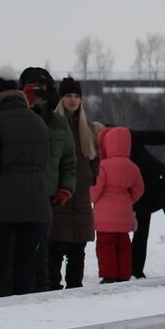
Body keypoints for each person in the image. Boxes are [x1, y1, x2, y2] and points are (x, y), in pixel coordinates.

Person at [0, 73, 51, 298]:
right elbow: (44, 161)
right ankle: (24, 314)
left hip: (4, 204)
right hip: (37, 202)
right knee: (25, 263)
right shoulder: (38, 120)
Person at [19, 67, 77, 291]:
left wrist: (66, 189)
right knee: (18, 251)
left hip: (47, 196)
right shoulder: (12, 113)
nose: (38, 90)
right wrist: (24, 102)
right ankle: (17, 296)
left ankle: (40, 295)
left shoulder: (58, 122)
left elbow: (69, 160)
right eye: (33, 86)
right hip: (18, 195)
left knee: (42, 250)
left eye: (42, 87)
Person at [48, 76, 99, 289]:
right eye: (68, 95)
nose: (73, 100)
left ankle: (75, 291)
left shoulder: (87, 127)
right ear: (61, 98)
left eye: (76, 96)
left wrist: (90, 176)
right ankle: (50, 289)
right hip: (60, 195)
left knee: (78, 251)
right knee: (55, 248)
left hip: (82, 198)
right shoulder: (52, 124)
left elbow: (96, 159)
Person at [90, 126, 144, 283]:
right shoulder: (132, 166)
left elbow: (95, 190)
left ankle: (109, 275)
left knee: (105, 247)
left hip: (104, 216)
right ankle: (123, 274)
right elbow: (139, 189)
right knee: (123, 246)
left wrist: (93, 199)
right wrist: (127, 200)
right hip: (124, 214)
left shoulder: (104, 166)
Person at [128, 128, 165, 279]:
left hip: (158, 181)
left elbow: (154, 136)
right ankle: (135, 269)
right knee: (141, 232)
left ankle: (135, 269)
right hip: (142, 187)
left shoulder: (127, 136)